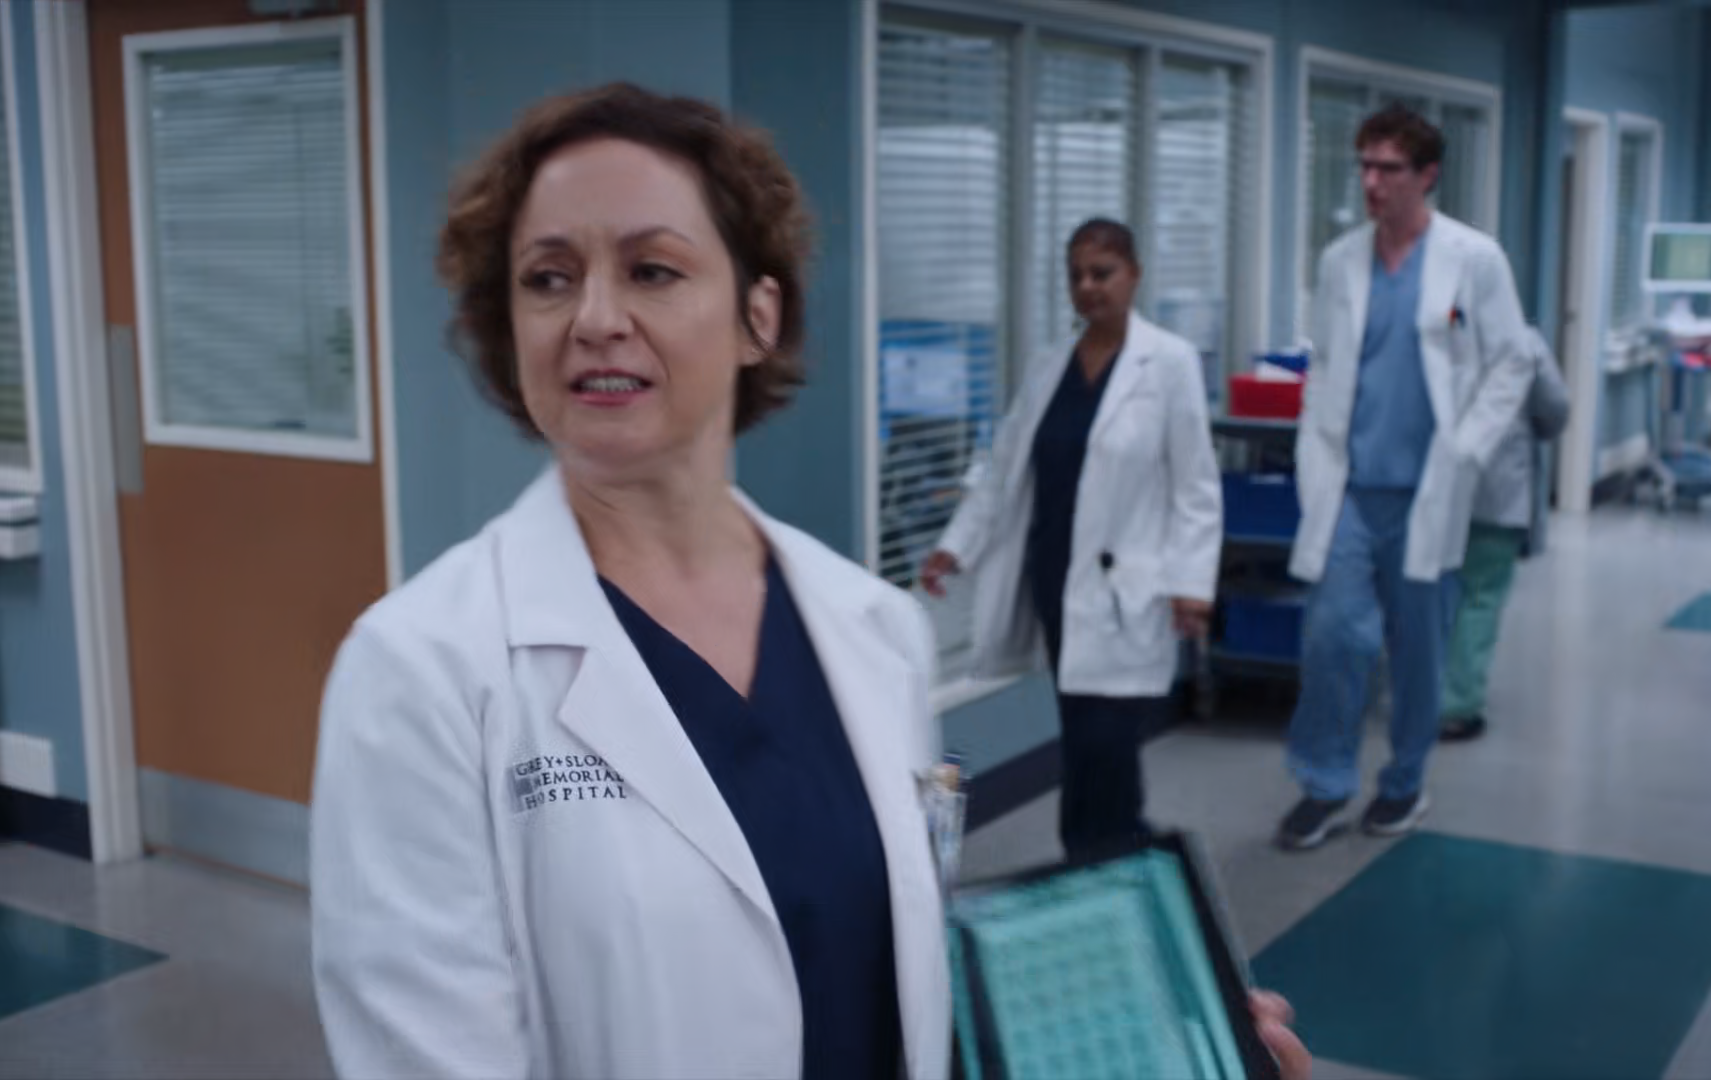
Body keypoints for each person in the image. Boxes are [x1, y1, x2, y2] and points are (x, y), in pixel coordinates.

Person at [308, 84, 1311, 1080]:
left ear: (758, 316)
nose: (595, 317)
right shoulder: (421, 671)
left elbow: (895, 994)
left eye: (652, 269)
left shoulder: (870, 626)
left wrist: (1154, 1043)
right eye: (548, 278)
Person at [919, 218, 1223, 862]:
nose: (1088, 287)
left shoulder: (1169, 362)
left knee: (1107, 740)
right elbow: (1005, 468)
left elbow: (1196, 485)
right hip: (1056, 579)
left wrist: (1192, 586)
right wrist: (956, 545)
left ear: (1133, 275)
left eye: (1102, 273)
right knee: (1083, 735)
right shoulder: (1048, 365)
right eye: (1076, 275)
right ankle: (1095, 859)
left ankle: (1106, 855)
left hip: (1127, 586)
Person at [1276, 103, 1533, 852]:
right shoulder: (1340, 261)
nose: (1371, 182)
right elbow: (1327, 364)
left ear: (1427, 175)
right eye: (1364, 165)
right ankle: (1324, 783)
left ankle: (1404, 782)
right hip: (1350, 488)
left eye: (1389, 168)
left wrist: (1470, 446)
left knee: (1419, 652)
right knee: (1332, 635)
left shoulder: (1473, 259)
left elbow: (1512, 361)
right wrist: (1312, 448)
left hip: (1431, 490)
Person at [1437, 327, 1569, 743]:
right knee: (1479, 596)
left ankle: (1419, 694)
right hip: (1497, 493)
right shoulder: (1523, 340)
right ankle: (1455, 705)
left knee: (1433, 594)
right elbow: (1555, 410)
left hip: (1434, 489)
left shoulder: (1433, 326)